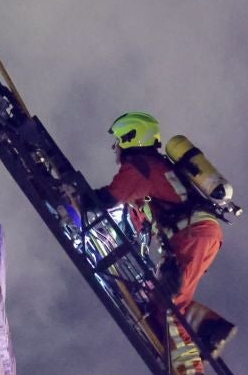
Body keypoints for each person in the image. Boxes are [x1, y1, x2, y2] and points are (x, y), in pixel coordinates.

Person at [95, 111, 236, 360]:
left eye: (118, 141)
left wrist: (82, 199)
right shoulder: (155, 170)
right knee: (163, 299)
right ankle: (211, 329)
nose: (115, 148)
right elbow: (139, 221)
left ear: (131, 137)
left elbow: (109, 197)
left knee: (169, 306)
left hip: (191, 236)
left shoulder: (141, 167)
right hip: (198, 234)